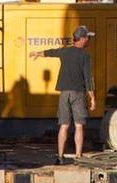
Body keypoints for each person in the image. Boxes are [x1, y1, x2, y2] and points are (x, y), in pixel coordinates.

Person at [42, 25, 97, 161]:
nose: (89, 40)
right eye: (87, 37)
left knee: (64, 125)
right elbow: (88, 78)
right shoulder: (85, 56)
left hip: (64, 93)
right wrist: (93, 98)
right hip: (78, 93)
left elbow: (52, 52)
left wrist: (38, 54)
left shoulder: (65, 52)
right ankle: (78, 155)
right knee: (79, 125)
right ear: (82, 39)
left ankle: (60, 155)